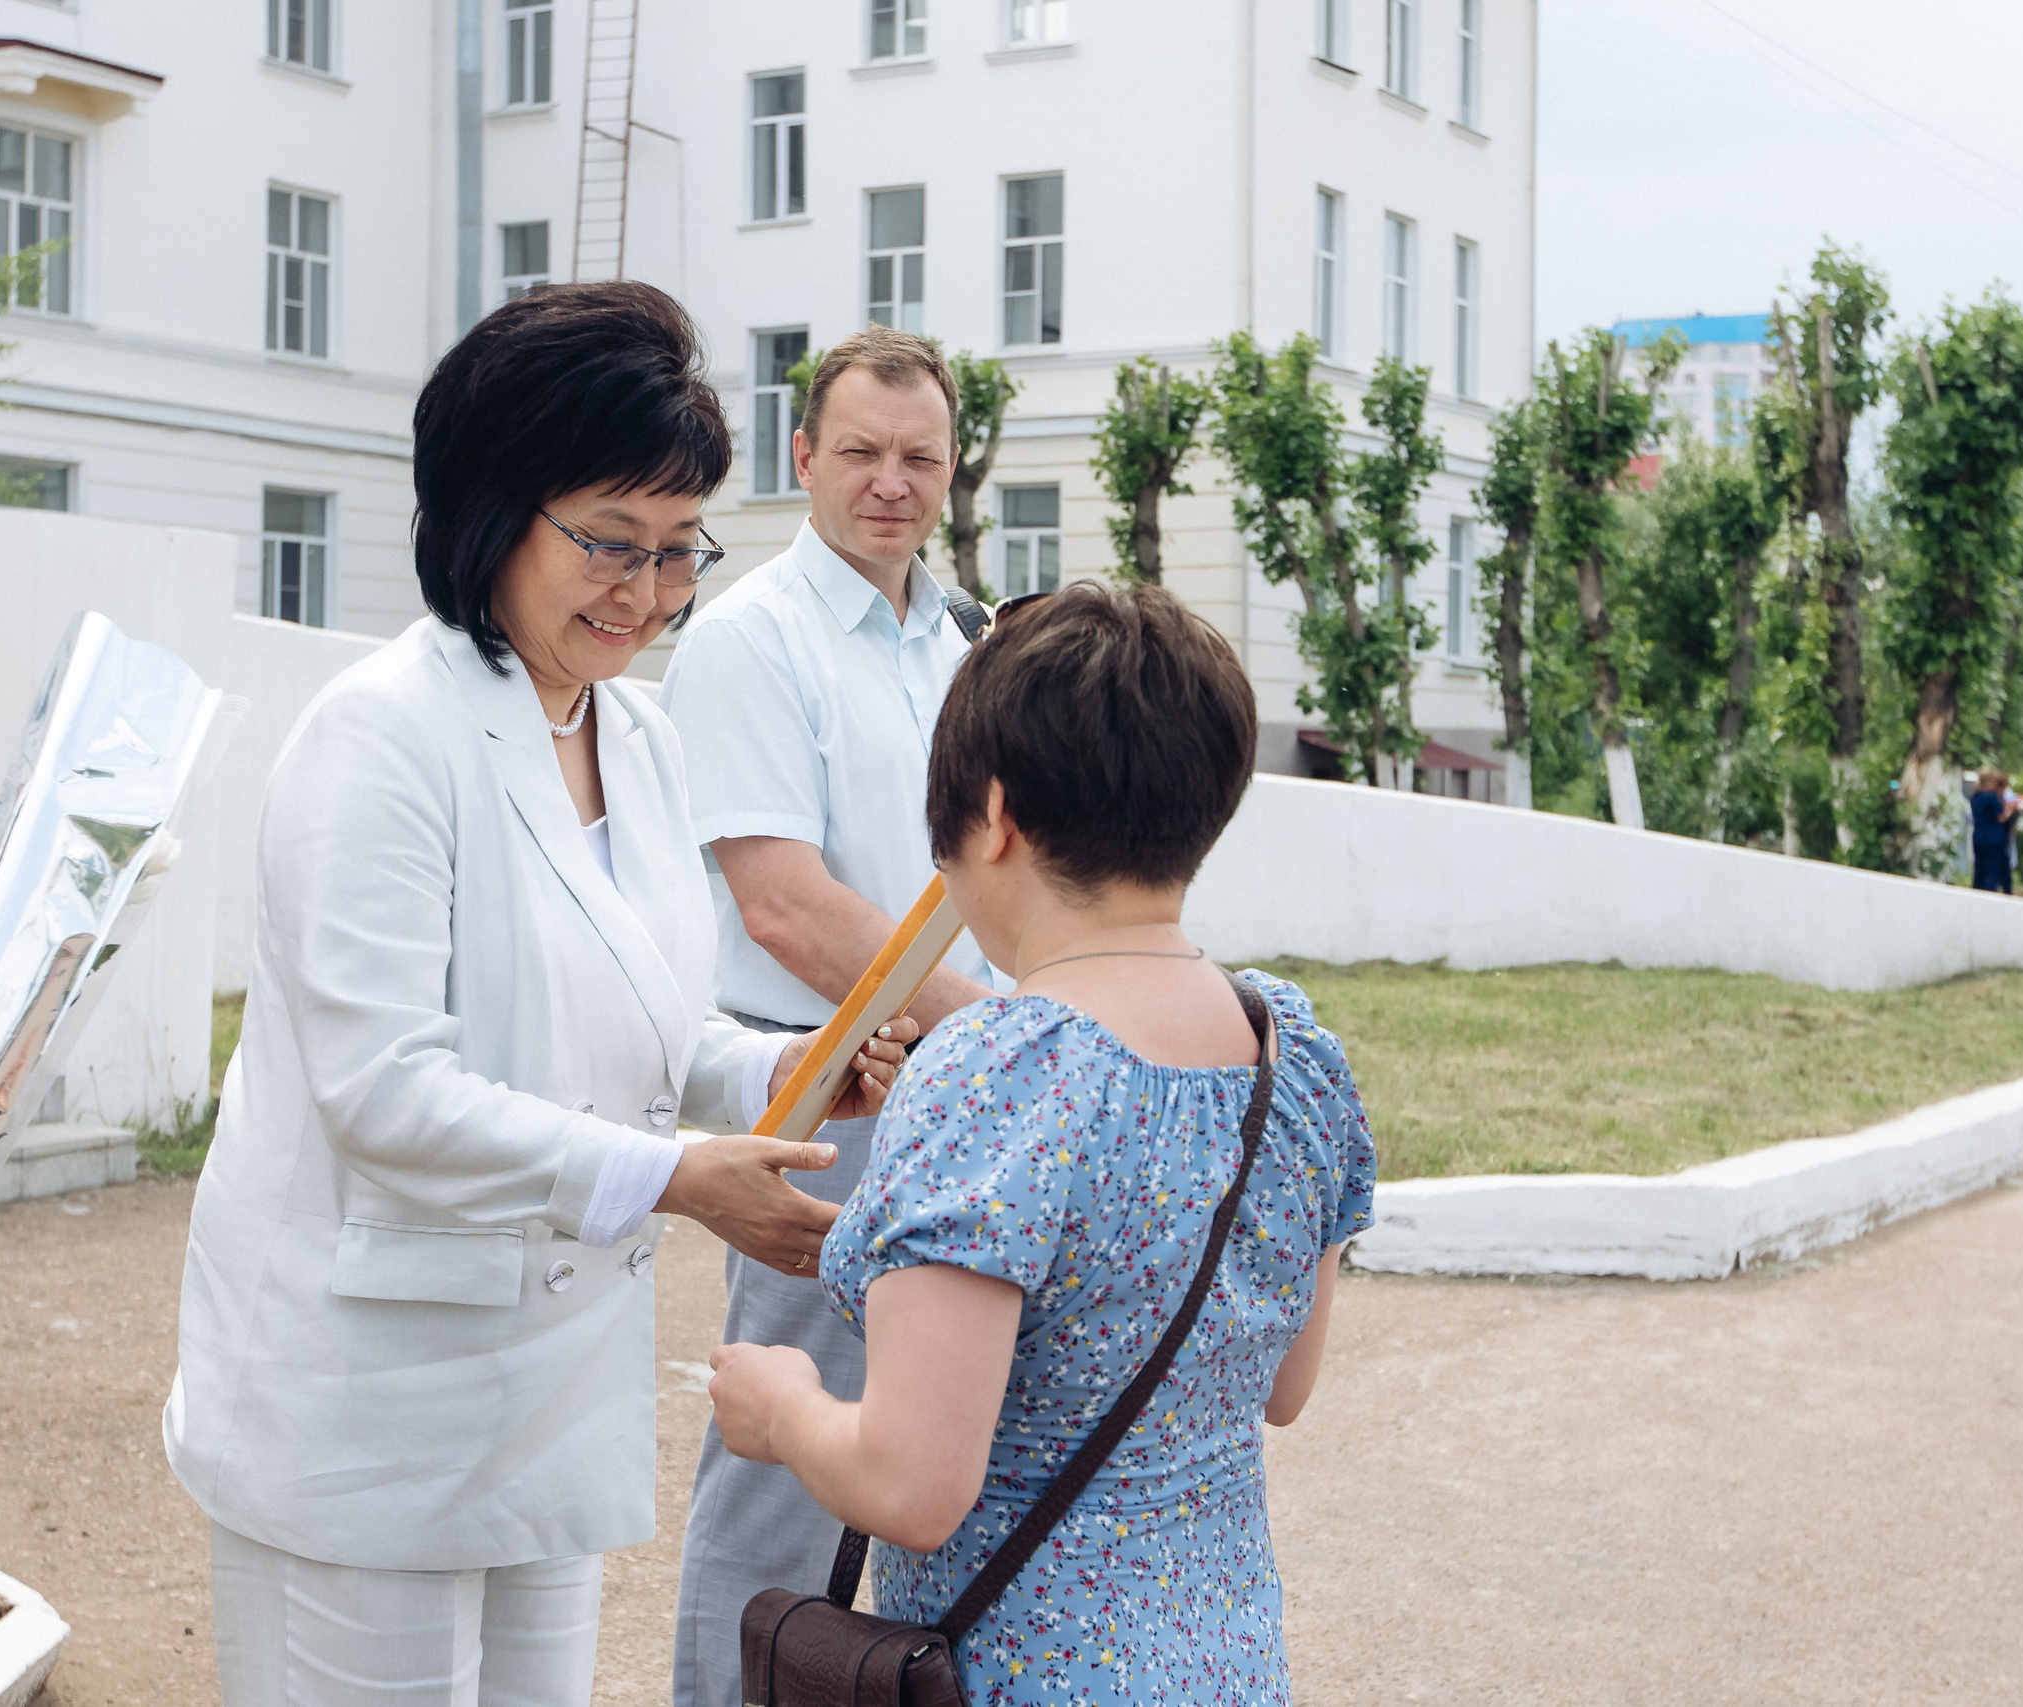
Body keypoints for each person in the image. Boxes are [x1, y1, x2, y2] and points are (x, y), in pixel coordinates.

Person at [162, 283, 917, 1706]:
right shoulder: (382, 737)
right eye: (609, 543)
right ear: (494, 508)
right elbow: (385, 1092)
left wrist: (778, 1070)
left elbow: (644, 1018)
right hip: (367, 1405)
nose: (646, 591)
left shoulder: (635, 734)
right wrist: (678, 1176)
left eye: (679, 550)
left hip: (548, 1395)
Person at [709, 584, 1377, 1704]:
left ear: (994, 814)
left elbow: (913, 1486)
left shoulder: (993, 1072)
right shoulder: (1293, 1052)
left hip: (1026, 1671)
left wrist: (783, 1409)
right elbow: (1282, 1385)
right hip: (1229, 1668)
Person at [656, 326, 1002, 1707]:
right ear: (802, 455)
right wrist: (1004, 1041)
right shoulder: (750, 639)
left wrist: (994, 1049)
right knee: (780, 1470)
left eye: (921, 456)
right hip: (826, 1102)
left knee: (934, 1459)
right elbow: (785, 905)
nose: (891, 482)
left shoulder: (964, 641)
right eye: (860, 451)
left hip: (960, 1089)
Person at [1971, 767, 2022, 893]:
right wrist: (2011, 808)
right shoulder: (1991, 797)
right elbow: (2001, 817)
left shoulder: (1975, 796)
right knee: (1992, 871)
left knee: (1979, 869)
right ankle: (1989, 893)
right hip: (1993, 838)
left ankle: (1976, 892)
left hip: (1978, 837)